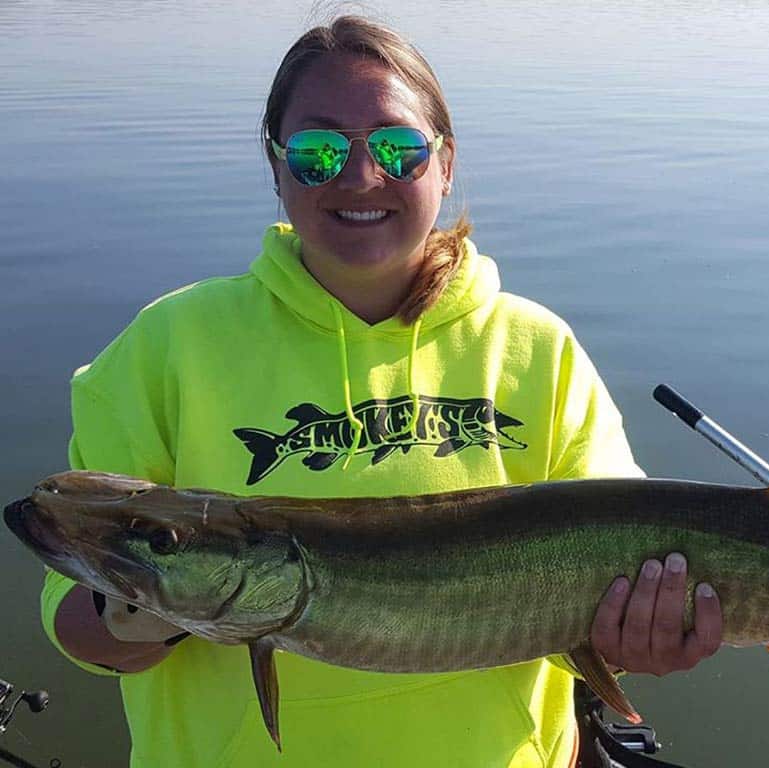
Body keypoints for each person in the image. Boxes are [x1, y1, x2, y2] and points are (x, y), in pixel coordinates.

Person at [39, 15, 722, 768]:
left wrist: (637, 637)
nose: (359, 177)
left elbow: (614, 594)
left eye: (397, 148)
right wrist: (138, 614)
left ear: (447, 162)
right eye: (317, 151)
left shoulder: (538, 350)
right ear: (276, 166)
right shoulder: (165, 348)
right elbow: (75, 630)